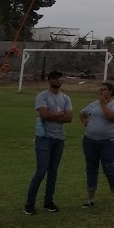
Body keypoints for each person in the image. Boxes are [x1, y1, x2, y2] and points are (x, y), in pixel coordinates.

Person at [24, 69, 73, 215]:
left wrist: (57, 116)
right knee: (41, 171)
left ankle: (48, 201)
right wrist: (61, 114)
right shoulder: (42, 96)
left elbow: (69, 118)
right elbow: (44, 115)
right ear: (49, 80)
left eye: (60, 78)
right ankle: (29, 203)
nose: (58, 80)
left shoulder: (66, 98)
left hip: (59, 138)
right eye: (55, 78)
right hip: (44, 138)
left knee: (53, 171)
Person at [78, 81, 114, 209]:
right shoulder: (93, 104)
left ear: (110, 91)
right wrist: (85, 123)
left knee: (109, 168)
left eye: (104, 89)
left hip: (108, 142)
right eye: (100, 89)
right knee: (91, 169)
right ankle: (90, 198)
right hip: (90, 141)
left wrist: (103, 104)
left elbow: (111, 116)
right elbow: (82, 113)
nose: (101, 92)